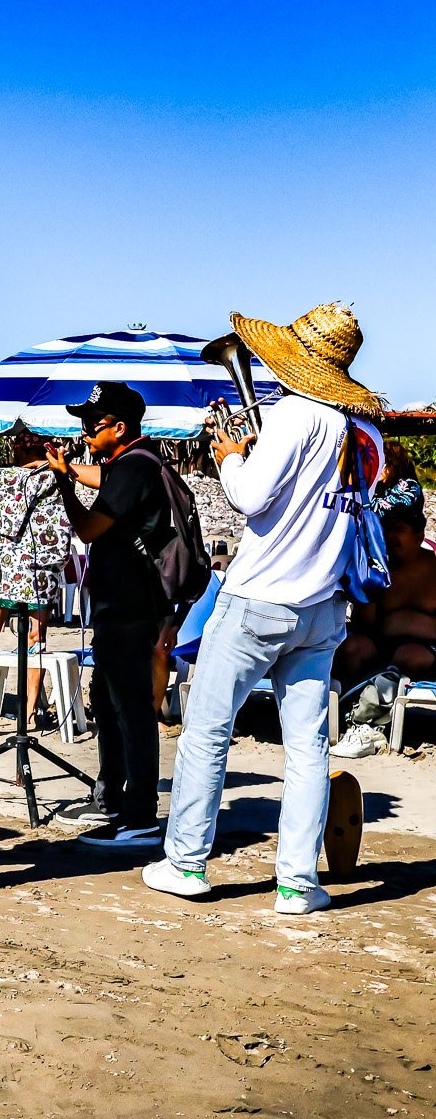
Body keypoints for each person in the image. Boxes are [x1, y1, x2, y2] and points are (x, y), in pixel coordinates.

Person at [142, 303, 384, 915]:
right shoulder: (367, 434)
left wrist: (229, 453)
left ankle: (186, 864)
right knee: (307, 749)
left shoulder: (296, 414)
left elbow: (251, 499)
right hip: (323, 607)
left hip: (258, 600)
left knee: (206, 731)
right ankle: (298, 885)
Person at [46, 383, 181, 850]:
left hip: (130, 608)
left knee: (132, 713)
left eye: (92, 424)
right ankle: (116, 803)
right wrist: (71, 472)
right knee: (108, 704)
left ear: (119, 428)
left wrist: (63, 482)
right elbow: (101, 482)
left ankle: (140, 817)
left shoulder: (133, 468)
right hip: (124, 606)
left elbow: (87, 529)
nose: (84, 431)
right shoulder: (133, 463)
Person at [0, 427, 69, 728]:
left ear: (22, 448)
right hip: (34, 569)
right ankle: (23, 712)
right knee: (35, 641)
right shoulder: (57, 476)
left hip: (9, 567)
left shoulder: (2, 478)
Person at [332, 508, 436, 758]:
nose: (390, 536)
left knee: (408, 653)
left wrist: (413, 623)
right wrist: (371, 585)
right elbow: (364, 623)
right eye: (387, 529)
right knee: (353, 647)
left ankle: (369, 722)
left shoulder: (433, 570)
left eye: (399, 530)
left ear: (419, 534)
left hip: (425, 651)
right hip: (381, 644)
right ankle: (348, 713)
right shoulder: (379, 568)